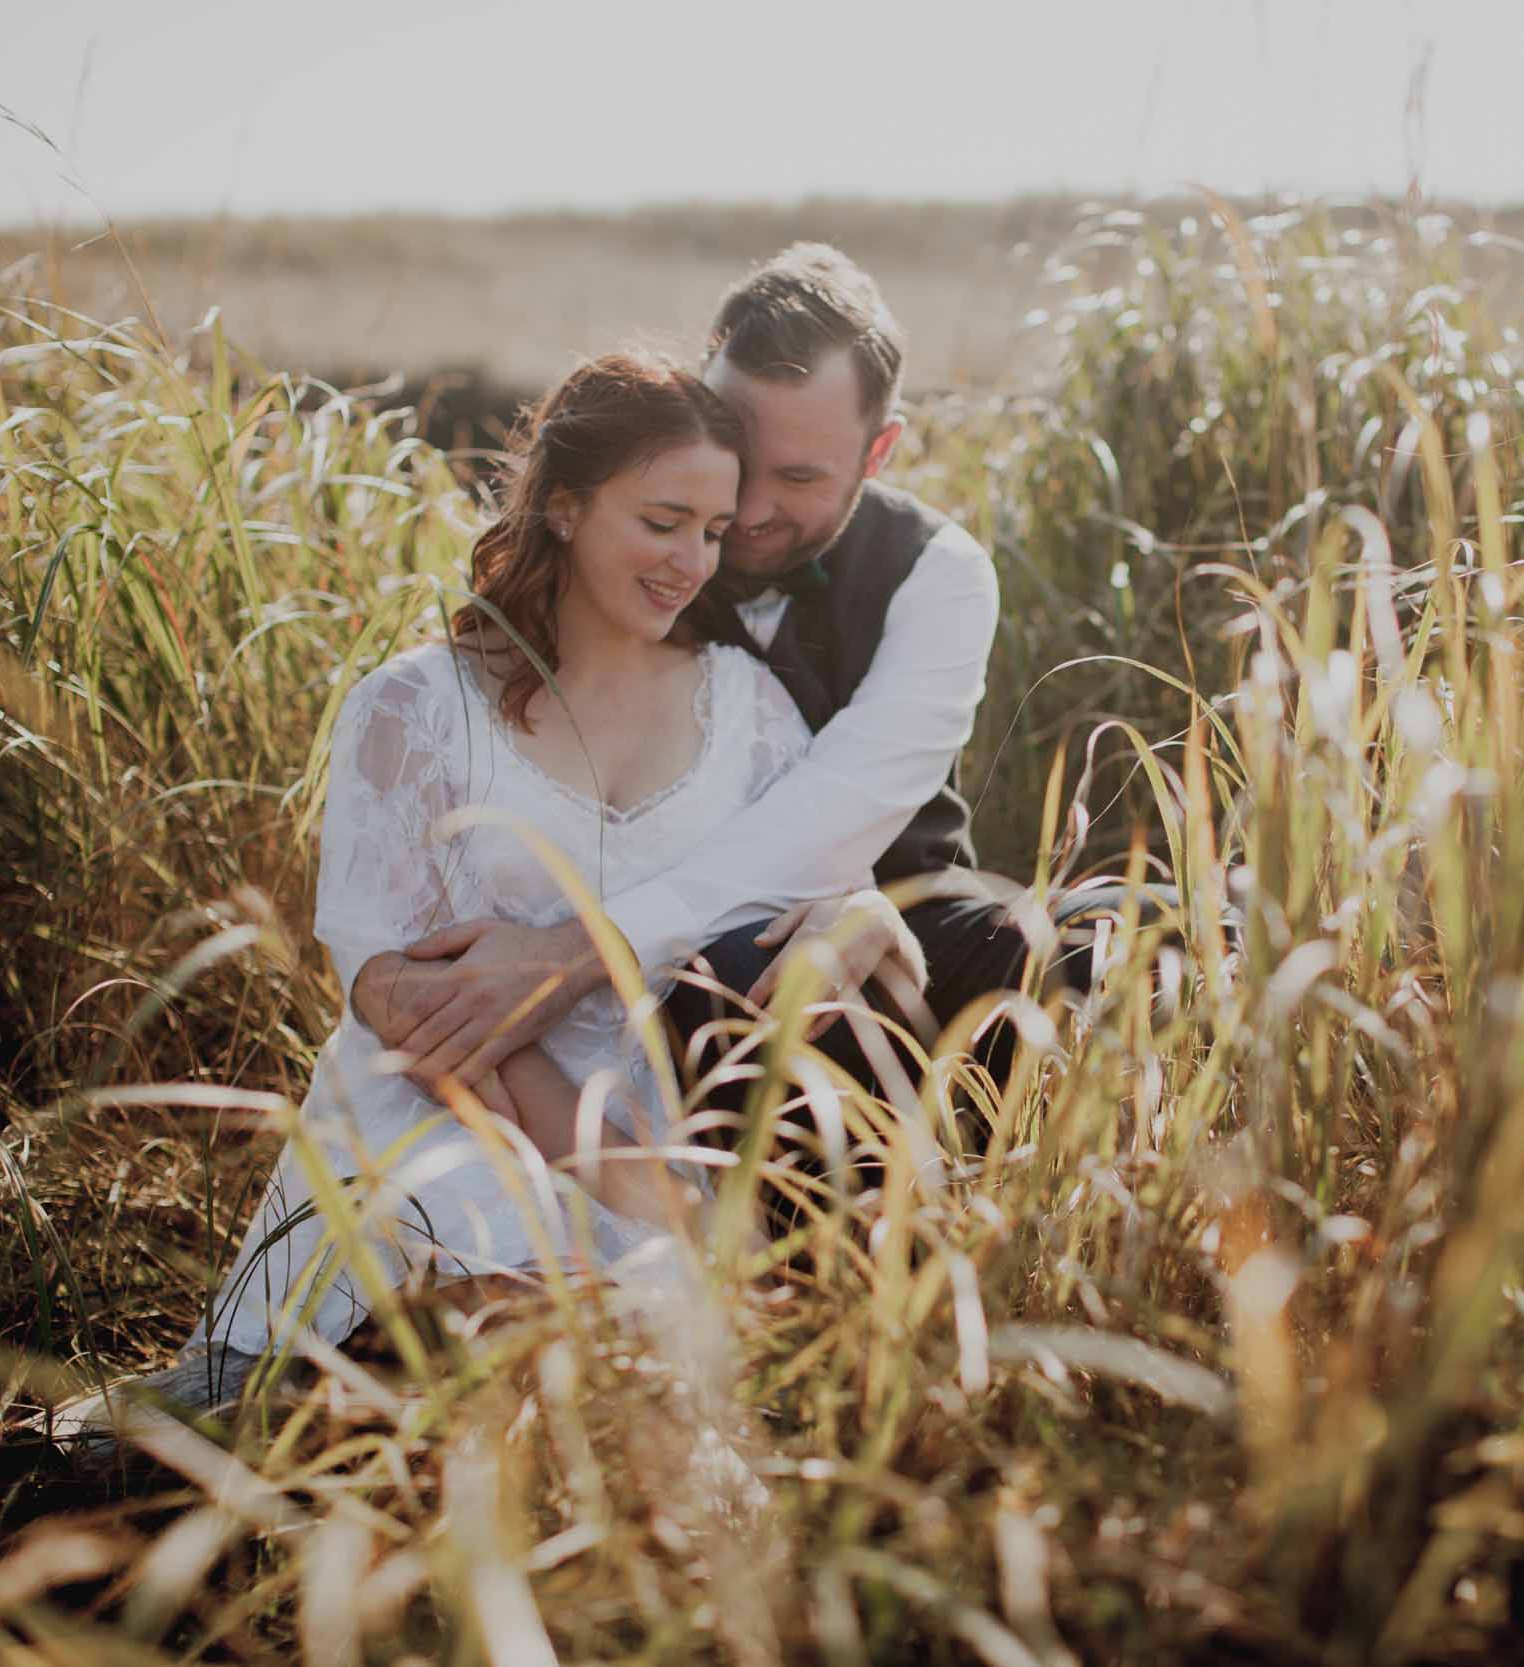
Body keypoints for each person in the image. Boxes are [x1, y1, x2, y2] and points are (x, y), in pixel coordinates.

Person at [170, 351, 916, 1382]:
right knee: (509, 1282)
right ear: (564, 507)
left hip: (663, 1123)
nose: (691, 564)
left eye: (711, 531)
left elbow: (836, 884)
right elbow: (399, 995)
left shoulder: (748, 711)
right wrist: (623, 1180)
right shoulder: (417, 706)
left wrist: (854, 916)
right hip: (444, 1110)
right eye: (660, 523)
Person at [352, 244, 1059, 1130]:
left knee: (1092, 941)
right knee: (732, 982)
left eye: (798, 476)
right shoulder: (635, 553)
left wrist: (580, 953)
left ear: (879, 450)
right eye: (737, 452)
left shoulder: (941, 575)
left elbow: (842, 808)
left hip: (897, 922)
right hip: (710, 976)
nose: (747, 510)